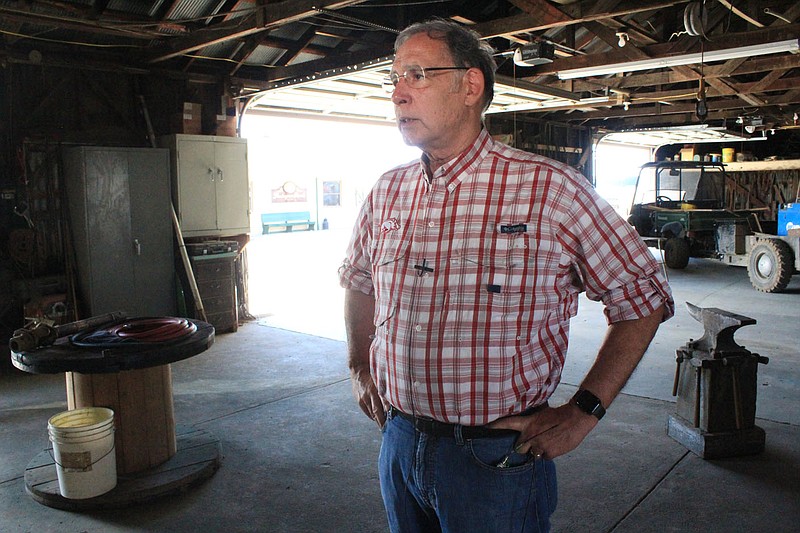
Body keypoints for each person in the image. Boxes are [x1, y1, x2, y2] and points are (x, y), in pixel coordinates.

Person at [338, 18, 673, 533]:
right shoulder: (388, 191)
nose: (399, 94)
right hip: (400, 442)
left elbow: (643, 295)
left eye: (416, 74)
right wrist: (361, 364)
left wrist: (585, 409)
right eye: (395, 79)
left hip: (496, 457)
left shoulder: (550, 190)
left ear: (470, 86)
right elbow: (359, 280)